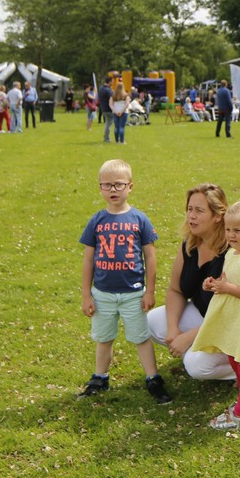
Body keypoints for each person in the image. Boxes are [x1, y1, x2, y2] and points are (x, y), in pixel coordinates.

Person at [147, 183, 240, 380]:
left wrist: (188, 337)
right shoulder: (190, 244)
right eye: (189, 209)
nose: (191, 216)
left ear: (217, 216)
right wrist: (173, 328)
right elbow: (176, 290)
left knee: (196, 366)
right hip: (212, 314)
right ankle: (212, 354)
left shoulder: (237, 249)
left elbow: (233, 313)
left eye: (199, 211)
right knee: (153, 321)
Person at [77, 159, 172, 404]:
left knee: (141, 337)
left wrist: (150, 291)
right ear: (100, 188)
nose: (113, 190)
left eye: (119, 184)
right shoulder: (96, 221)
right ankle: (100, 378)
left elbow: (150, 257)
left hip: (133, 294)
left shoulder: (139, 219)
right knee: (104, 338)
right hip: (103, 294)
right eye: (106, 185)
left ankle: (153, 378)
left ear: (130, 186)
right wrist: (86, 295)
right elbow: (88, 260)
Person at [187, 199, 240, 430]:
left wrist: (228, 288)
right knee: (233, 358)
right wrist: (214, 284)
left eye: (237, 230)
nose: (231, 235)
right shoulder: (233, 252)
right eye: (228, 229)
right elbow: (228, 279)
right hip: (230, 318)